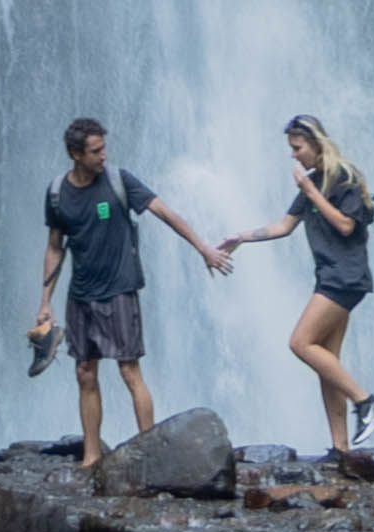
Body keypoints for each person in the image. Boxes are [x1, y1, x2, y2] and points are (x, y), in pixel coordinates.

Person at [30, 115, 229, 468]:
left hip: (119, 290)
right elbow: (55, 247)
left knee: (128, 371)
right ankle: (91, 456)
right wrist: (45, 302)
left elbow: (166, 213)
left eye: (104, 148)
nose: (104, 156)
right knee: (85, 373)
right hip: (80, 294)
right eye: (96, 151)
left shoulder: (120, 181)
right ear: (76, 154)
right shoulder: (58, 192)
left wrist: (204, 249)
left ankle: (148, 454)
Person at [222, 114, 374, 454]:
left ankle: (366, 402)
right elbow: (283, 226)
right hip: (331, 276)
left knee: (300, 343)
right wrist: (241, 237)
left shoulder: (343, 178)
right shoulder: (313, 180)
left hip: (345, 277)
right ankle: (341, 448)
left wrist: (311, 191)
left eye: (297, 148)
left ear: (316, 144)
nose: (293, 155)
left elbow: (346, 226)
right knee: (327, 361)